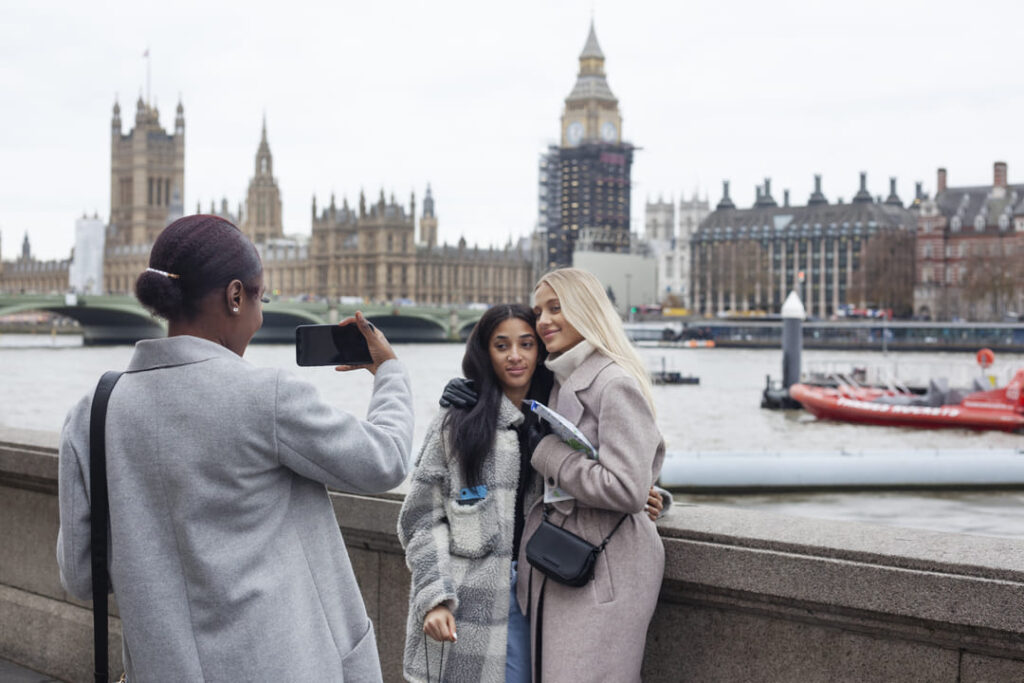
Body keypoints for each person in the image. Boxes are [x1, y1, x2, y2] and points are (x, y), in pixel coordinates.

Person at [56, 214, 413, 682]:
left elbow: (82, 576)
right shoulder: (265, 396)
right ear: (236, 295)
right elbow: (385, 459)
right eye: (261, 299)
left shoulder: (90, 415)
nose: (261, 317)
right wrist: (389, 373)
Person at [517, 267, 666, 683]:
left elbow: (626, 487)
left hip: (606, 569)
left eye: (556, 308)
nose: (543, 321)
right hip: (562, 559)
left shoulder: (613, 383)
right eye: (538, 311)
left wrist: (547, 453)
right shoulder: (558, 379)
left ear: (586, 310)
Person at [398, 304, 551, 683]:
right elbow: (420, 517)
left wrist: (646, 496)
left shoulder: (556, 423)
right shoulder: (457, 423)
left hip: (544, 596)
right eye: (502, 346)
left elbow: (607, 470)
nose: (515, 356)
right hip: (468, 603)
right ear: (486, 353)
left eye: (526, 344)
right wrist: (435, 597)